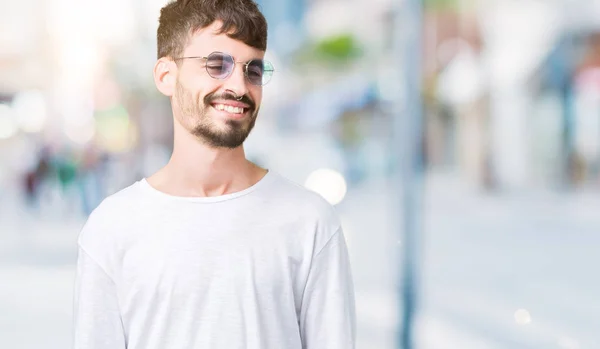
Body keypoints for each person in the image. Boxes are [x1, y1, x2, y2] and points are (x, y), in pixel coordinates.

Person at [72, 0, 356, 348]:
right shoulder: (111, 228)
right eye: (216, 64)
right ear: (166, 75)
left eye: (253, 70)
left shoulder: (310, 221)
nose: (239, 86)